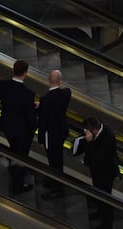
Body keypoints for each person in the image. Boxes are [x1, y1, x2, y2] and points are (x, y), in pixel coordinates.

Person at [0, 60, 38, 194]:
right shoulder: (28, 94)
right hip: (22, 131)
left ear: (14, 70)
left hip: (7, 126)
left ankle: (13, 166)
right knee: (20, 156)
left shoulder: (3, 85)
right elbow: (30, 116)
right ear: (25, 73)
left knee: (13, 149)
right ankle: (17, 186)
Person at [76, 116, 120, 227]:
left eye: (88, 130)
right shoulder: (96, 130)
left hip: (106, 172)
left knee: (105, 196)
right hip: (96, 169)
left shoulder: (108, 136)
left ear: (95, 129)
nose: (86, 133)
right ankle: (100, 212)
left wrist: (89, 142)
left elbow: (98, 156)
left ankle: (107, 222)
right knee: (97, 192)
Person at [38, 69, 72, 198]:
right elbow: (60, 97)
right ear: (60, 81)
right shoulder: (66, 93)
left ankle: (57, 187)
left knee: (53, 161)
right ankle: (55, 181)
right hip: (61, 132)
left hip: (50, 135)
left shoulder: (45, 100)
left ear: (48, 80)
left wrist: (41, 139)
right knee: (58, 160)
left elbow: (42, 121)